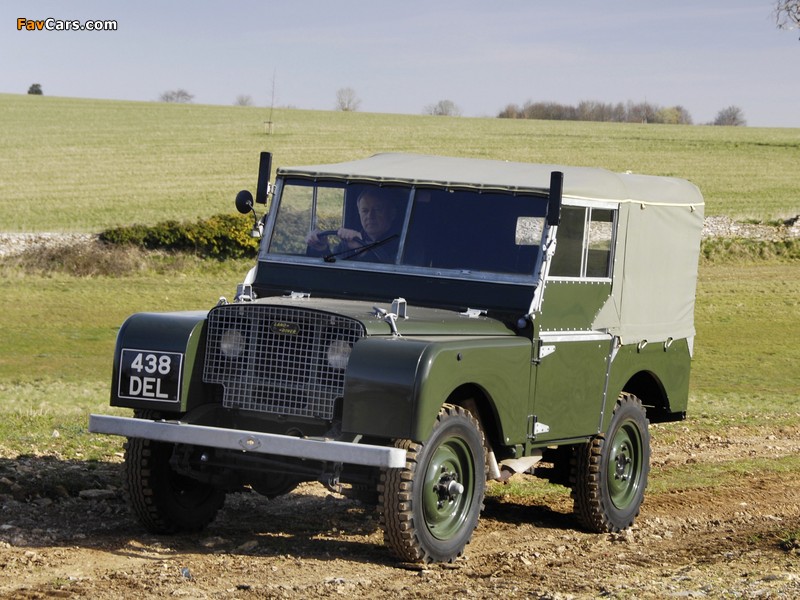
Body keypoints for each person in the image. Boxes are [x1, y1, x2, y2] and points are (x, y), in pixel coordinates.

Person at [306, 190, 400, 262]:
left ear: (392, 213)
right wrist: (322, 248)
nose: (370, 216)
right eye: (365, 211)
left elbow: (391, 271)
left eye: (377, 209)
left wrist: (364, 249)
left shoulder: (401, 244)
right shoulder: (348, 243)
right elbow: (332, 270)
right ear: (359, 213)